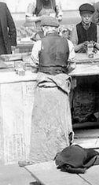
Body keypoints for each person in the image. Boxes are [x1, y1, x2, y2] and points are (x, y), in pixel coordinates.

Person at [27, 16, 76, 164]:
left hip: (44, 88)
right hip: (60, 87)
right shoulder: (68, 43)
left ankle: (43, 156)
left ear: (44, 29)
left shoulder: (39, 44)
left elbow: (33, 64)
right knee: (62, 123)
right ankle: (62, 153)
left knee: (43, 124)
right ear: (56, 29)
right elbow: (72, 65)